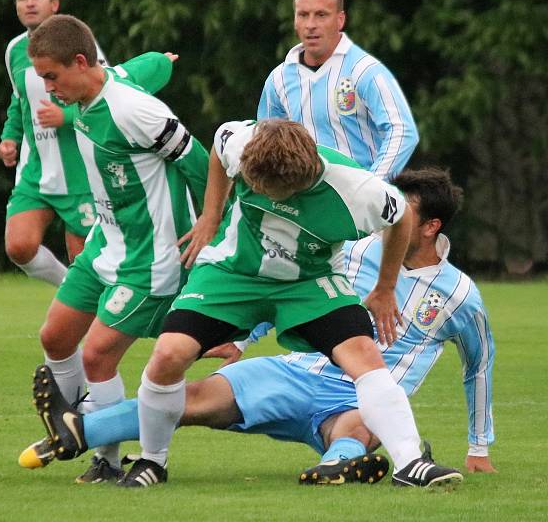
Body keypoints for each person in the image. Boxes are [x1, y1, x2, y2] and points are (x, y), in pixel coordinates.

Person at [24, 168, 490, 486]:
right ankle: (77, 430)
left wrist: (478, 447)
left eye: (405, 217)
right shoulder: (357, 249)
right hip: (295, 370)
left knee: (360, 425)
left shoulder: (460, 295)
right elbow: (293, 293)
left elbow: (479, 367)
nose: (392, 225)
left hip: (356, 396)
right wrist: (238, 337)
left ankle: (336, 466)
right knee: (192, 399)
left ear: (428, 227)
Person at [106, 119, 463, 488]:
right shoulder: (242, 142)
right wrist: (211, 216)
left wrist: (385, 287)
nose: (264, 193)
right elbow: (217, 146)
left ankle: (410, 465)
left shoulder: (358, 189)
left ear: (305, 177)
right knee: (168, 354)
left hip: (309, 281)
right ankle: (152, 461)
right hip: (234, 272)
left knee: (364, 356)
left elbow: (401, 218)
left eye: (275, 190)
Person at [26, 14, 209, 483]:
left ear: (81, 62)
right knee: (55, 337)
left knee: (97, 355)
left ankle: (105, 457)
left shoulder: (135, 110)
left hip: (150, 256)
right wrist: (164, 61)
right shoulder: (96, 87)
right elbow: (148, 65)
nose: (48, 90)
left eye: (52, 76)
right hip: (105, 242)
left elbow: (200, 163)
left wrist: (211, 225)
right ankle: (68, 426)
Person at [0, 0, 107, 286]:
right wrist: (9, 138)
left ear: (54, 4)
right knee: (19, 245)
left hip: (80, 172)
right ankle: (68, 289)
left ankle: (94, 317)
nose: (29, 3)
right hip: (36, 170)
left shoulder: (80, 45)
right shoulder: (14, 51)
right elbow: (19, 101)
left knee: (85, 260)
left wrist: (66, 117)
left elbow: (108, 96)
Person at [257, 0, 418, 181]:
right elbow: (265, 141)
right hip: (304, 203)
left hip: (359, 202)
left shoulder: (364, 70)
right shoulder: (278, 79)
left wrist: (373, 187)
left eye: (321, 15)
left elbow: (403, 130)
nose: (311, 24)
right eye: (303, 15)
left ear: (340, 20)